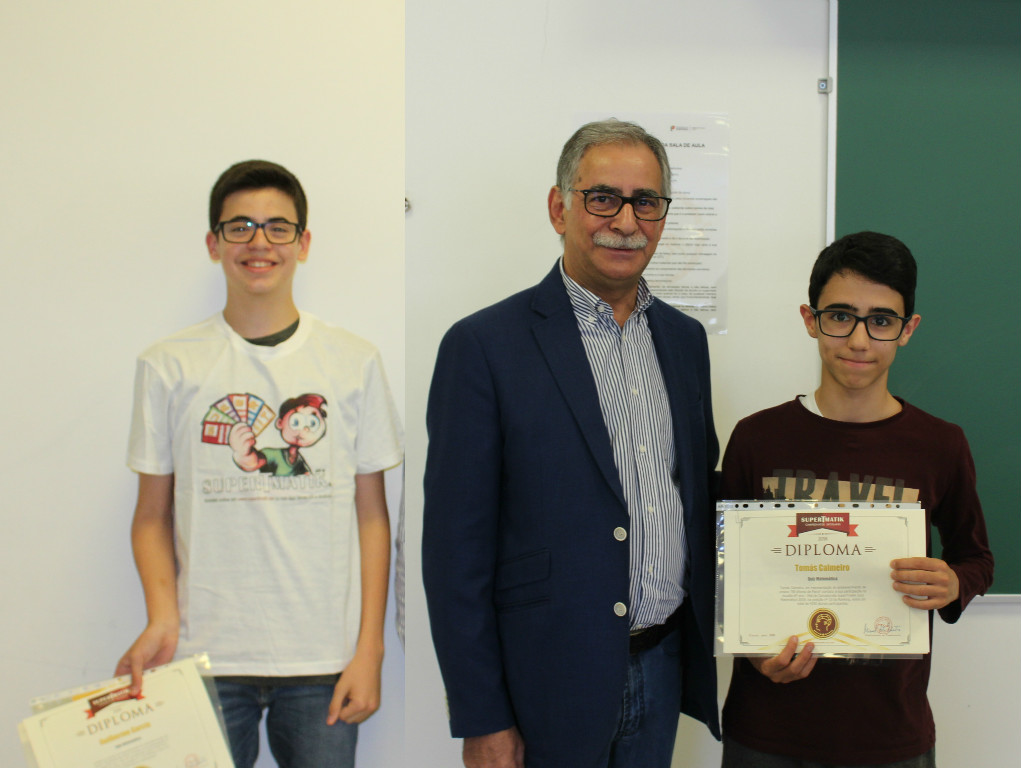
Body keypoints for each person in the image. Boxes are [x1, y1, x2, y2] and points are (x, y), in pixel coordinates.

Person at [422, 119, 720, 768]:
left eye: (646, 202)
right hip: (543, 683)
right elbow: (454, 552)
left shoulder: (683, 341)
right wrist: (482, 715)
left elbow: (697, 495)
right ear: (559, 208)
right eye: (602, 198)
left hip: (663, 665)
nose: (626, 221)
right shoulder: (483, 347)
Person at [116, 160, 403, 768]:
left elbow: (373, 518)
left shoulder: (353, 361)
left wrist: (370, 650)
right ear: (213, 243)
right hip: (203, 658)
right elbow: (151, 517)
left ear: (303, 242)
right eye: (240, 226)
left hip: (323, 661)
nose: (259, 243)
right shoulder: (168, 365)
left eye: (277, 227)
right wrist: (161, 619)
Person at [718, 231, 993, 767]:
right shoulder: (756, 438)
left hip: (889, 732)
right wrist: (750, 648)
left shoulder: (941, 444)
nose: (859, 340)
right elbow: (722, 572)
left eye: (881, 320)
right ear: (810, 319)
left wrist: (955, 583)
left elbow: (976, 559)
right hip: (768, 728)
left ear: (907, 329)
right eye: (840, 316)